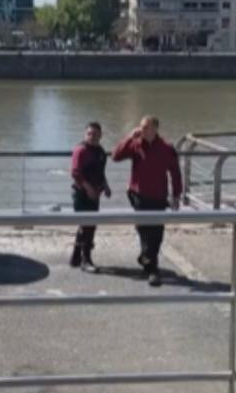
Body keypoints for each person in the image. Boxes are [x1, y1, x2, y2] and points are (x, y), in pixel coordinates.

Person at [111, 116, 183, 287]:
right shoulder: (135, 144)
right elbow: (115, 156)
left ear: (155, 129)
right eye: (141, 127)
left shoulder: (166, 148)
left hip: (158, 196)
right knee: (144, 229)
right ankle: (153, 269)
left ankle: (146, 259)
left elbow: (175, 173)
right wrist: (129, 136)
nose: (142, 130)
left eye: (146, 127)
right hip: (138, 195)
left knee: (156, 233)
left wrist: (176, 196)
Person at [70, 122, 111, 271]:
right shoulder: (80, 151)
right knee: (87, 226)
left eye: (95, 134)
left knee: (88, 225)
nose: (92, 137)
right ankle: (85, 260)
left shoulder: (101, 151)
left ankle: (75, 257)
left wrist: (106, 186)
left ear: (101, 135)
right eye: (89, 134)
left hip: (95, 195)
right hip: (81, 194)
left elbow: (100, 172)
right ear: (85, 134)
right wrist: (88, 189)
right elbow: (75, 173)